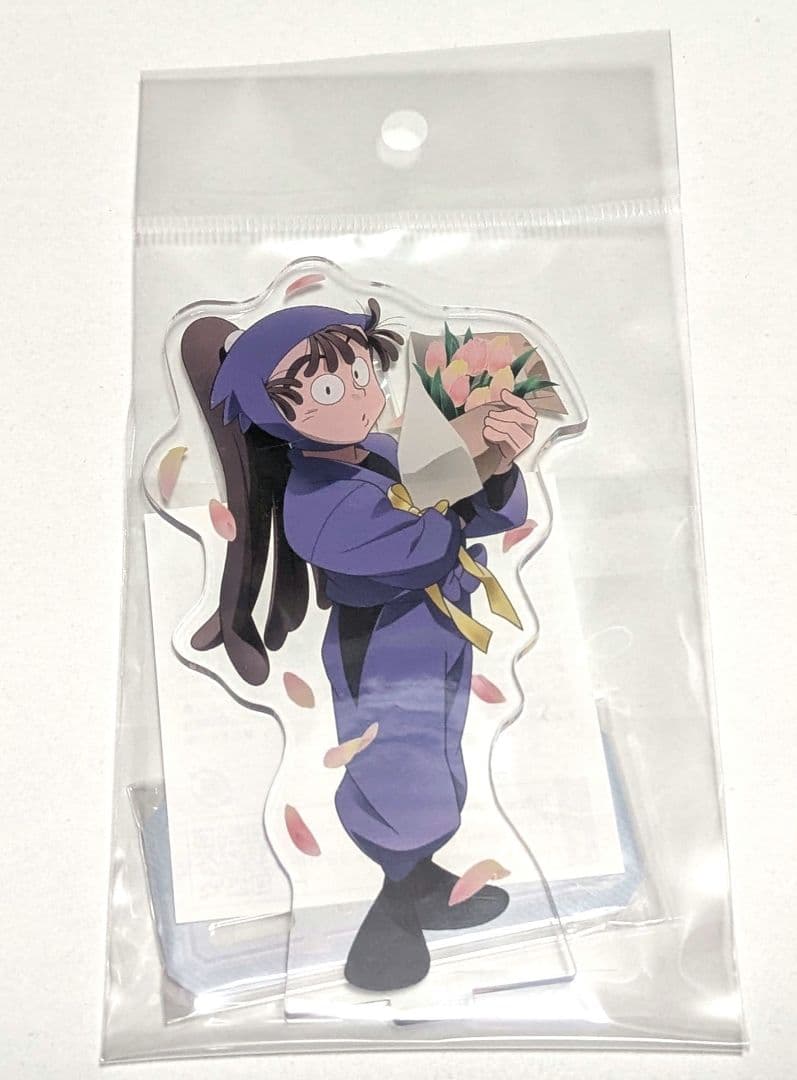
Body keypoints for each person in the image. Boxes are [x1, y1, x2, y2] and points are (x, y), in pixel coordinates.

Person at [181, 300, 537, 991]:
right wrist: (464, 478)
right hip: (380, 647)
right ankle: (388, 925)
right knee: (396, 768)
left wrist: (495, 463)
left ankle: (420, 878)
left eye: (360, 370)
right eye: (323, 388)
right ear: (270, 411)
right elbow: (420, 545)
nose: (357, 393)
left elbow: (468, 513)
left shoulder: (382, 450)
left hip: (435, 630)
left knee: (439, 752)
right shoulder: (315, 497)